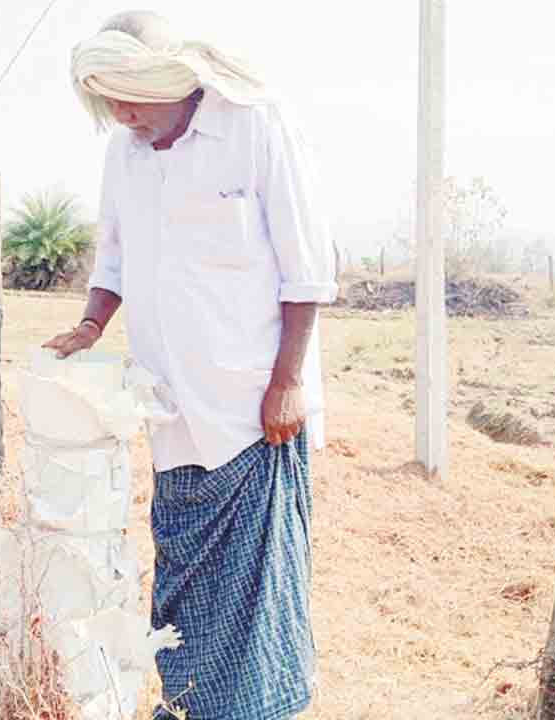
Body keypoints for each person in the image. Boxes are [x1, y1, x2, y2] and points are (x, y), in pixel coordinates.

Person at [47, 10, 338, 719]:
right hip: (169, 406)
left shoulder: (256, 123)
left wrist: (288, 382)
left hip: (254, 409)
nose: (120, 112)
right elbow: (112, 253)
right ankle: (188, 707)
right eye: (107, 98)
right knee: (181, 581)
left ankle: (260, 710)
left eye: (129, 94)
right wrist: (90, 324)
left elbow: (307, 268)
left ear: (170, 79)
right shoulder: (127, 150)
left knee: (257, 588)